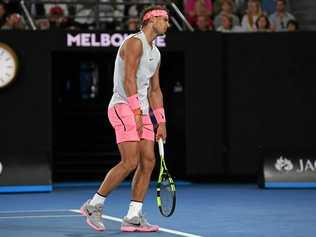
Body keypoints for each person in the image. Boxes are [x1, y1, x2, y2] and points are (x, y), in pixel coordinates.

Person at [80, 5, 169, 233]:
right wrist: (137, 113)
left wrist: (161, 121)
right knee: (130, 161)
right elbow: (129, 79)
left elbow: (155, 90)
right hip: (122, 106)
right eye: (165, 19)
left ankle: (133, 216)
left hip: (142, 109)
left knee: (148, 161)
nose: (168, 24)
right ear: (151, 20)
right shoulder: (133, 42)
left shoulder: (156, 53)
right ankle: (94, 205)